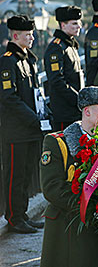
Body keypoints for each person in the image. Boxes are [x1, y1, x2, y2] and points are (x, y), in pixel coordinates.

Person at [40, 86, 98, 267]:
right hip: (69, 227)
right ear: (87, 111)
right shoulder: (58, 142)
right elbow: (52, 188)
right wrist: (90, 208)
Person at [0, 15, 44, 234]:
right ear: (15, 36)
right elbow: (9, 97)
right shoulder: (7, 61)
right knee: (14, 176)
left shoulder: (28, 59)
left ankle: (22, 214)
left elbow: (35, 93)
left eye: (32, 34)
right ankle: (13, 218)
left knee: (26, 173)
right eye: (28, 35)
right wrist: (32, 118)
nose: (32, 38)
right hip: (15, 130)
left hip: (29, 129)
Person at [44, 6, 84, 132]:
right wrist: (77, 99)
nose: (79, 26)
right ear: (63, 25)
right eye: (74, 24)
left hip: (73, 110)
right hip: (64, 112)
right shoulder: (57, 47)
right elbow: (57, 80)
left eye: (79, 23)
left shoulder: (69, 45)